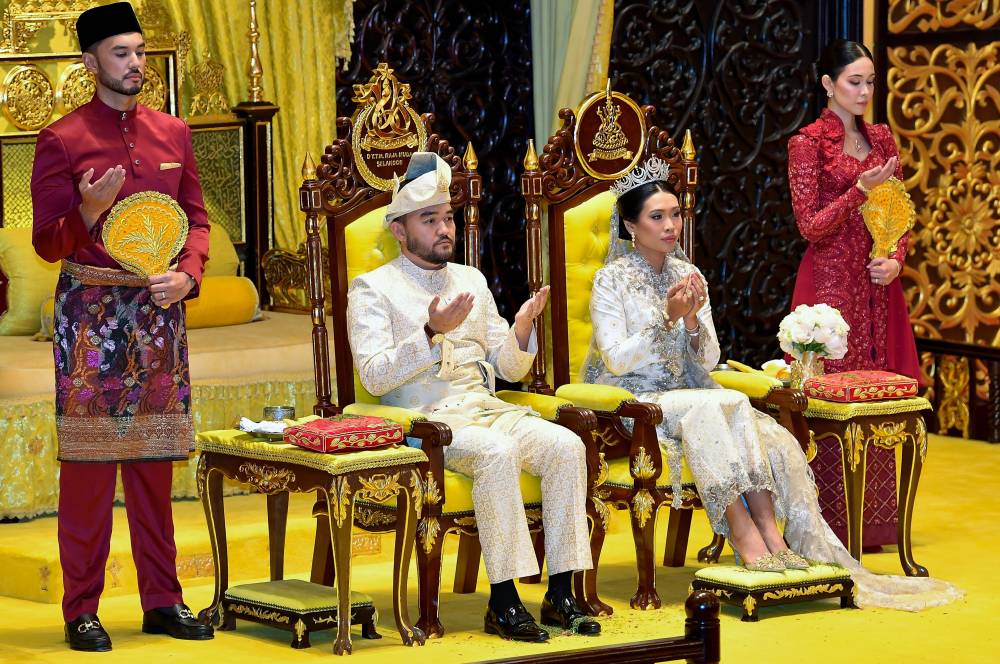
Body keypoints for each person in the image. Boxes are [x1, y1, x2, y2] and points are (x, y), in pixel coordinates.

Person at [582, 156, 961, 610]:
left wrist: (692, 324)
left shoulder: (689, 275)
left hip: (695, 394)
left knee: (771, 434)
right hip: (639, 402)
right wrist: (667, 318)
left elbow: (709, 359)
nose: (670, 226)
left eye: (675, 214)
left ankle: (774, 537)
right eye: (656, 217)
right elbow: (616, 359)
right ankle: (745, 535)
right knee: (717, 406)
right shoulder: (610, 281)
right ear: (630, 225)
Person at [347, 152, 600, 642]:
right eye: (429, 220)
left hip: (486, 408)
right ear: (399, 230)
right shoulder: (373, 288)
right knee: (497, 452)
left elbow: (508, 369)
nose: (445, 229)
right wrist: (430, 333)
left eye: (448, 218)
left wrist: (522, 329)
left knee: (566, 446)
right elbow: (374, 377)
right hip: (426, 424)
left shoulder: (472, 280)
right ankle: (504, 601)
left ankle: (562, 593)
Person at [31, 2, 212, 652]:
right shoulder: (61, 139)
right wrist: (88, 209)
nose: (136, 63)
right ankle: (81, 609)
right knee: (88, 468)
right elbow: (47, 243)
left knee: (154, 466)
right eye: (121, 53)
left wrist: (188, 275)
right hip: (91, 317)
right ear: (90, 62)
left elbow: (196, 220)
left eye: (139, 51)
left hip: (159, 313)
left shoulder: (173, 132)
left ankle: (162, 600)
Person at [787, 39, 918, 550]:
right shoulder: (807, 143)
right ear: (828, 83)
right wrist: (858, 191)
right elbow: (810, 226)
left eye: (870, 82)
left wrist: (896, 258)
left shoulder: (882, 138)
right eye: (853, 82)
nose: (864, 92)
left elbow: (899, 214)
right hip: (829, 287)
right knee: (829, 397)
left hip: (876, 288)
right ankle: (828, 522)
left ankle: (877, 522)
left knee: (878, 395)